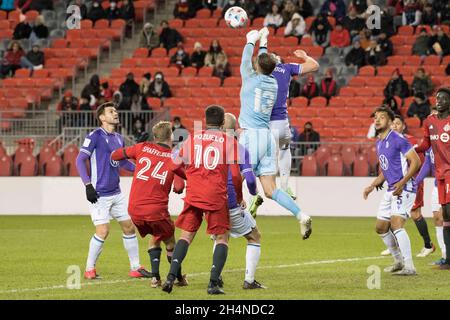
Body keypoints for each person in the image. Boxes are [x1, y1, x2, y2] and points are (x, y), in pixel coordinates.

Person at [237, 28, 312, 239]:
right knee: (271, 189)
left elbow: (245, 59)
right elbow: (263, 61)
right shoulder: (272, 82)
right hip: (268, 138)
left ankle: (229, 218)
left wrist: (251, 41)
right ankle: (301, 214)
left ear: (258, 66)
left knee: (234, 175)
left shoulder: (250, 80)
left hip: (252, 136)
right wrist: (264, 41)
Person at [161, 105, 238, 295]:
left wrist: (188, 176)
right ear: (222, 123)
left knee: (186, 236)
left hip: (194, 194)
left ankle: (171, 277)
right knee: (222, 238)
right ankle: (213, 283)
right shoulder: (228, 141)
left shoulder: (192, 139)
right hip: (216, 195)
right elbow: (235, 176)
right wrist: (238, 196)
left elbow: (173, 165)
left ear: (205, 121)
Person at [75, 102, 151, 280]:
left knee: (129, 227)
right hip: (99, 194)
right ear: (102, 117)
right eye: (111, 111)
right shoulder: (94, 136)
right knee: (103, 230)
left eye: (116, 110)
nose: (115, 113)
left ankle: (135, 267)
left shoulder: (118, 137)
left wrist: (141, 169)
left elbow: (122, 162)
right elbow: (80, 160)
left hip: (116, 193)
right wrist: (87, 185)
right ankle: (89, 269)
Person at [111, 121, 188, 287]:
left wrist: (136, 151)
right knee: (170, 242)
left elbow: (115, 155)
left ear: (154, 137)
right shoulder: (175, 157)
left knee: (155, 236)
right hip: (156, 209)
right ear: (171, 136)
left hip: (134, 209)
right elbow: (180, 186)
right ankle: (178, 278)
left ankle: (155, 278)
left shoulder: (142, 147)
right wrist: (178, 184)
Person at [363, 106, 421, 276]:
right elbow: (386, 169)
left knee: (396, 225)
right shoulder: (379, 142)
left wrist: (403, 183)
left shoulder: (398, 139)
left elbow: (416, 161)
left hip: (404, 187)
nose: (377, 120)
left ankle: (409, 266)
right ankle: (398, 261)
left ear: (389, 121)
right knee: (381, 228)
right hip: (391, 189)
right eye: (375, 117)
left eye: (381, 117)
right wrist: (373, 185)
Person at [212, 113, 264, 289]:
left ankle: (216, 277)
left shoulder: (207, 147)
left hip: (210, 202)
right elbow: (248, 179)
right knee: (254, 236)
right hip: (230, 201)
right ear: (235, 129)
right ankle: (249, 281)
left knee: (220, 236)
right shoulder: (239, 149)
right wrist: (253, 193)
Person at [268, 46, 319, 200]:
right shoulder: (286, 68)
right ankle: (284, 186)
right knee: (284, 151)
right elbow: (314, 65)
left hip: (265, 124)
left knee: (263, 158)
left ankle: (260, 192)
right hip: (282, 123)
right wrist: (305, 56)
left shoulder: (261, 71)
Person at [388, 115, 434, 257]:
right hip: (397, 184)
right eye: (393, 124)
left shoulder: (411, 141)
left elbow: (418, 162)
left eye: (398, 124)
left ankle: (428, 245)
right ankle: (396, 248)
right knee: (393, 214)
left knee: (415, 213)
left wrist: (413, 180)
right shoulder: (388, 142)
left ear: (403, 126)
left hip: (412, 182)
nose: (395, 126)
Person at [415, 87, 450, 269]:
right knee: (442, 217)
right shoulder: (429, 124)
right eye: (437, 98)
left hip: (449, 175)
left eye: (443, 99)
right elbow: (426, 152)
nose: (438, 101)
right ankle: (446, 257)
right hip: (439, 180)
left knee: (447, 215)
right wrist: (412, 150)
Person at [415, 147, 446, 265]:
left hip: (447, 185)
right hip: (437, 186)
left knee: (446, 218)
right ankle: (445, 256)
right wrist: (416, 181)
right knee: (438, 219)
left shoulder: (445, 139)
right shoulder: (430, 144)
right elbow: (428, 163)